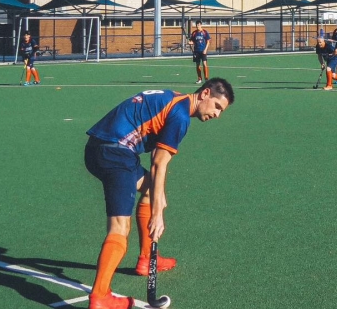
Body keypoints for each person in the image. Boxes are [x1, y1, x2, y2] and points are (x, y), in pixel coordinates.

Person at [84, 78, 235, 309]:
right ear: (205, 94)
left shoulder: (176, 98)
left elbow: (155, 169)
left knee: (151, 192)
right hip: (115, 153)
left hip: (99, 147)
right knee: (119, 228)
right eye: (217, 106)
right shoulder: (181, 116)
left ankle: (147, 259)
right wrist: (157, 215)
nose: (217, 115)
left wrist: (158, 196)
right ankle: (100, 296)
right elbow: (158, 163)